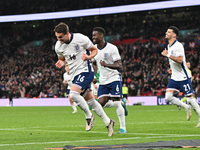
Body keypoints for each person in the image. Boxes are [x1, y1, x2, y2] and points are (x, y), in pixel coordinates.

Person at [54, 22, 115, 136]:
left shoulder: (80, 38)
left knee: (73, 94)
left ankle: (89, 116)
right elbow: (62, 58)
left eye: (61, 37)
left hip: (85, 71)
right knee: (91, 101)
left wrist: (88, 57)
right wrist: (61, 62)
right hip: (74, 75)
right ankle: (108, 122)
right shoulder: (58, 46)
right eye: (57, 37)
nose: (59, 39)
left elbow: (94, 50)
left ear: (67, 33)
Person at [161, 26, 200, 128]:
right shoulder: (169, 46)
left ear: (174, 35)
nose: (166, 33)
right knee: (168, 97)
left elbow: (180, 60)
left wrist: (168, 55)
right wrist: (172, 69)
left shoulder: (178, 46)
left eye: (169, 32)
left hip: (183, 77)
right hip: (175, 77)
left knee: (191, 99)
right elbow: (174, 62)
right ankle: (185, 106)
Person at [92, 27, 127, 133]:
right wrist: (94, 75)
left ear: (101, 36)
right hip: (102, 80)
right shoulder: (94, 49)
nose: (93, 37)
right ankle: (122, 103)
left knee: (116, 103)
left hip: (114, 78)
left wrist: (106, 64)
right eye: (92, 35)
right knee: (100, 103)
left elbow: (120, 65)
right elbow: (94, 62)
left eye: (95, 35)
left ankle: (123, 128)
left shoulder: (112, 48)